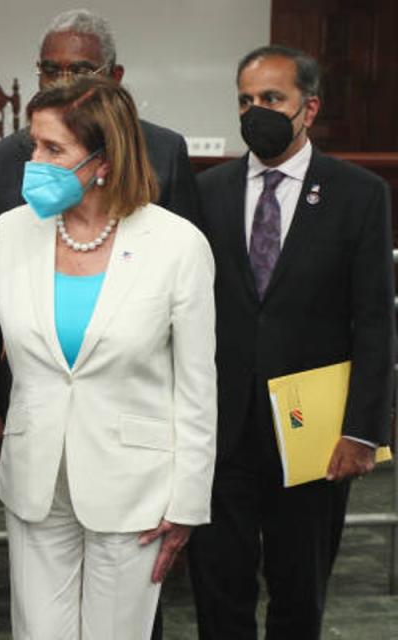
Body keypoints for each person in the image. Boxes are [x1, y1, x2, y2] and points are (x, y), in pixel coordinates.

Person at [0, 75, 216, 639]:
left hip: (136, 488)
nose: (35, 163)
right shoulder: (13, 232)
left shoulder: (177, 245)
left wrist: (188, 501)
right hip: (36, 480)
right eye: (34, 146)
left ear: (103, 160)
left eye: (53, 150)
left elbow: (197, 386)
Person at [187, 46, 396, 639]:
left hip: (313, 434)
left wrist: (364, 430)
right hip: (221, 430)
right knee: (217, 590)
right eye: (245, 101)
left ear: (309, 108)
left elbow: (375, 320)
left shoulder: (358, 194)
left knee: (298, 595)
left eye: (271, 100)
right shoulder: (208, 192)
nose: (256, 112)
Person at [0, 8, 201, 474]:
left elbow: (188, 302)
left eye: (78, 70)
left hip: (138, 405)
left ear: (115, 76)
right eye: (50, 69)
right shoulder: (0, 162)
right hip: (37, 401)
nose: (60, 80)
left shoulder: (164, 153)